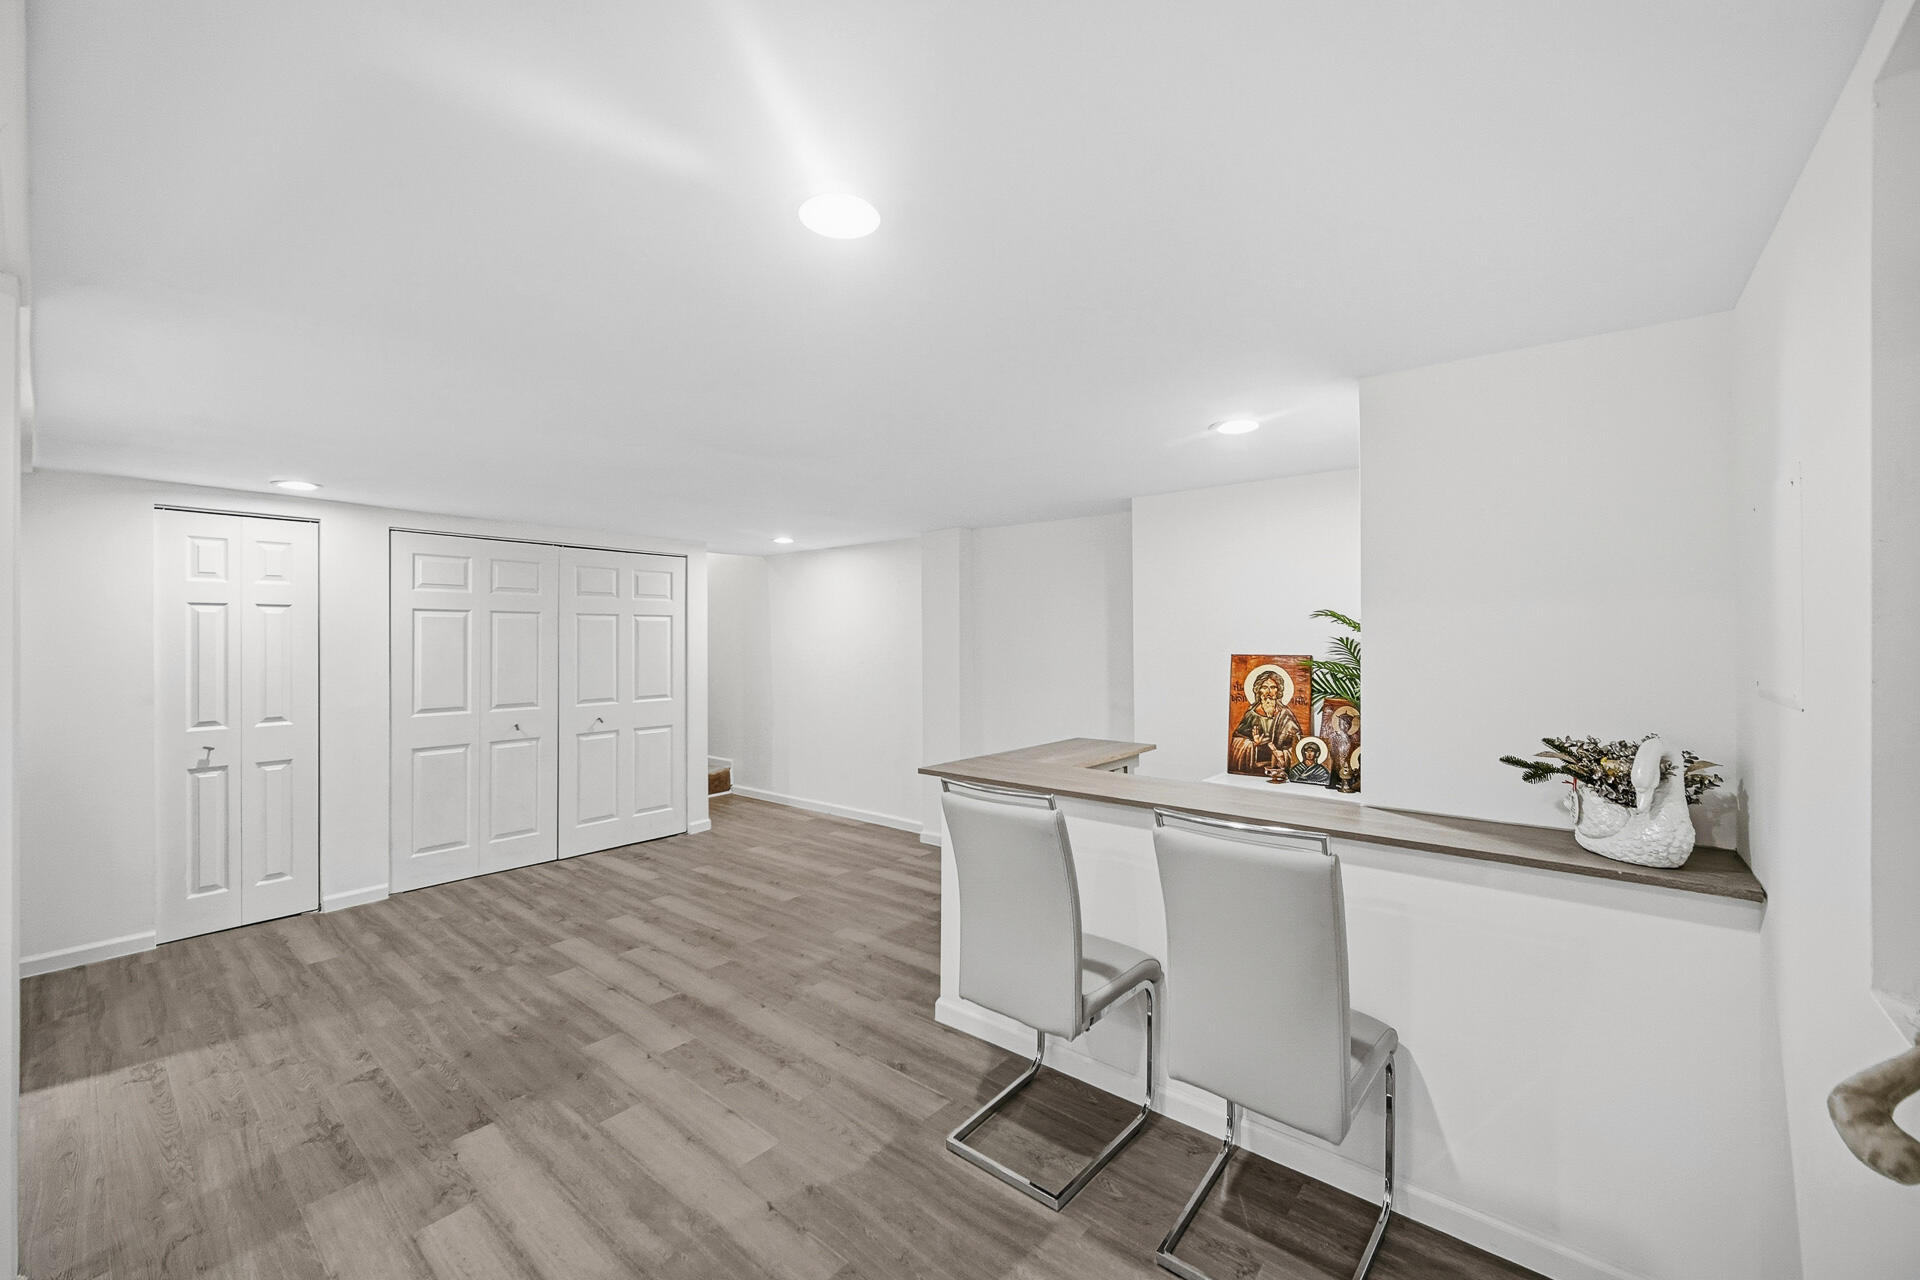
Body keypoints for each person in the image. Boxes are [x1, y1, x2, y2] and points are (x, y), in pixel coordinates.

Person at [1230, 670, 1301, 773]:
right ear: (1258, 690)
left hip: (1279, 768)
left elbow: (1298, 744)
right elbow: (1236, 741)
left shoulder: (1286, 715)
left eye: (1273, 687)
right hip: (1255, 769)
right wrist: (1253, 744)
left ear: (1278, 691)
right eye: (1264, 687)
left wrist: (1282, 754)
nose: (1268, 692)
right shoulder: (1251, 714)